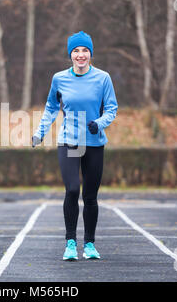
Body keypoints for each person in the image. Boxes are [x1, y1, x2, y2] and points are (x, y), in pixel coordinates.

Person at [31, 31, 118, 261]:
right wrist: (39, 133)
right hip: (69, 141)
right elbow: (51, 107)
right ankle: (70, 243)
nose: (81, 55)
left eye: (85, 51)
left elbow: (111, 109)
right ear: (70, 55)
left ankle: (89, 244)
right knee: (71, 190)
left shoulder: (103, 79)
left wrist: (98, 124)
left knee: (90, 196)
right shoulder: (59, 79)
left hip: (94, 143)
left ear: (91, 53)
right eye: (76, 51)